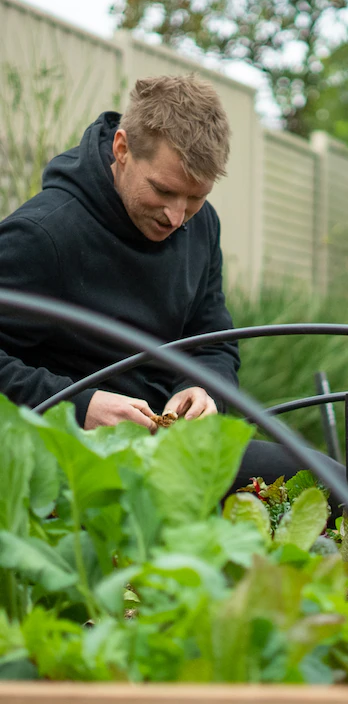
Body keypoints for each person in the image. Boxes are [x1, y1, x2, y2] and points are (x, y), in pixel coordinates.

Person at [0, 74, 329, 492]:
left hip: (174, 451)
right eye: (163, 190)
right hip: (70, 455)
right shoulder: (43, 234)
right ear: (122, 149)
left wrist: (203, 388)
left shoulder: (202, 226)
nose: (177, 217)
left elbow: (212, 341)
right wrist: (78, 406)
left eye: (195, 198)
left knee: (329, 483)